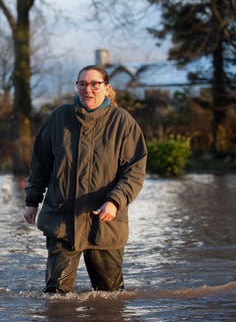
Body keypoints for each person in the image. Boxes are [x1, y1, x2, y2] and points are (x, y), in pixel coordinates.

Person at [23, 64, 147, 293]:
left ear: (106, 88)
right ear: (76, 86)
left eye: (94, 84)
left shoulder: (123, 123)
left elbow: (135, 172)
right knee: (56, 298)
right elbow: (39, 164)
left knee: (110, 299)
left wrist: (115, 201)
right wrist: (32, 201)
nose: (87, 89)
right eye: (82, 83)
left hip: (106, 225)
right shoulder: (58, 118)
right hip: (61, 222)